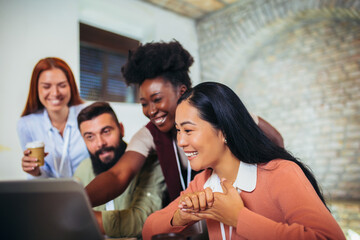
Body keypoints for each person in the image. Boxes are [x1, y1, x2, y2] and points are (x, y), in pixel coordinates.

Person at [85, 41, 284, 210]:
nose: (151, 110)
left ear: (182, 91)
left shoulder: (216, 112)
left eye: (157, 99)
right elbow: (118, 175)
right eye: (144, 103)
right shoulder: (150, 134)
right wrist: (81, 201)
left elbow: (275, 140)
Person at [142, 82, 345, 240]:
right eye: (178, 131)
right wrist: (180, 217)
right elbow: (149, 230)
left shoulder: (281, 173)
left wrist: (239, 218)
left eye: (188, 130)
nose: (181, 141)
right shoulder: (202, 183)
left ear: (223, 131)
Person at [74, 102, 165, 238]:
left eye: (106, 131)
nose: (100, 143)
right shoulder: (83, 168)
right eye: (90, 137)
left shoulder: (151, 163)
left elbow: (143, 221)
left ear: (121, 129)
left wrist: (79, 218)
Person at [17, 57, 89, 178]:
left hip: (90, 192)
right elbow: (41, 175)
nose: (55, 93)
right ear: (36, 89)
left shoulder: (88, 114)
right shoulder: (27, 125)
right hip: (52, 193)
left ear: (70, 86)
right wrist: (36, 172)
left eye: (62, 85)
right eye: (46, 86)